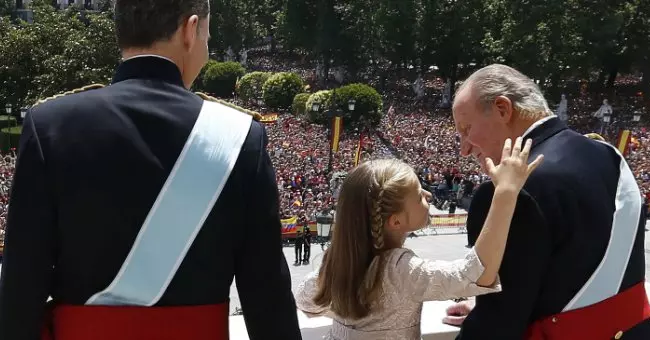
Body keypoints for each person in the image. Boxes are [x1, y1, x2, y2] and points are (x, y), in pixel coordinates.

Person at [0, 1, 302, 340]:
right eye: (208, 32)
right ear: (190, 30)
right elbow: (268, 305)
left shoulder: (49, 126)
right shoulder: (240, 137)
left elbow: (19, 295)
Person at [447, 64, 650, 339]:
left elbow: (497, 324)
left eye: (466, 129)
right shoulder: (607, 154)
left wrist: (484, 312)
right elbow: (572, 271)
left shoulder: (507, 192)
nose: (464, 149)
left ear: (502, 109)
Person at [295, 140, 543, 340]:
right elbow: (477, 273)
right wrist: (506, 193)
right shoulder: (399, 271)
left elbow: (306, 302)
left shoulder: (338, 261)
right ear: (396, 221)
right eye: (418, 195)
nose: (427, 194)